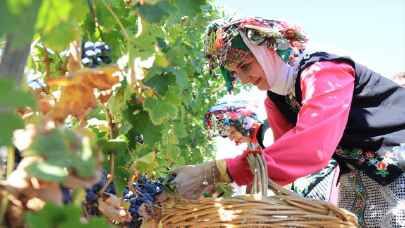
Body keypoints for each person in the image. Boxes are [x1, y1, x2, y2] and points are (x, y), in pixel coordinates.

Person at [171, 17, 405, 227]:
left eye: (244, 66)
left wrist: (219, 171)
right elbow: (282, 160)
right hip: (363, 177)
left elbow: (311, 148)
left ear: (269, 50)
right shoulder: (276, 99)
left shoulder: (323, 71)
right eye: (234, 73)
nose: (242, 78)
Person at [204, 100, 339, 202]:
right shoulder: (255, 145)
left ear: (242, 122)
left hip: (318, 184)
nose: (233, 139)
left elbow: (277, 169)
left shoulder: (267, 133)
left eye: (232, 132)